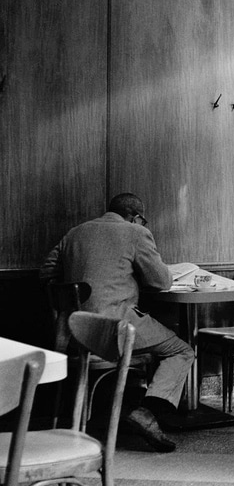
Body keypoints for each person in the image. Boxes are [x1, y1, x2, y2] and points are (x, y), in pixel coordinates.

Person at [40, 192, 194, 452]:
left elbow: (46, 272)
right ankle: (147, 413)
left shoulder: (75, 233)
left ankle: (132, 411)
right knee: (181, 350)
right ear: (135, 217)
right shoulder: (136, 233)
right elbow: (161, 281)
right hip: (114, 329)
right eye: (143, 221)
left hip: (74, 332)